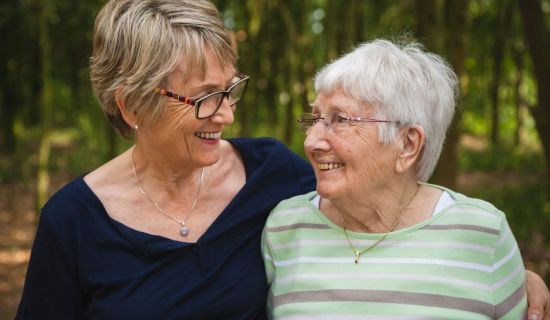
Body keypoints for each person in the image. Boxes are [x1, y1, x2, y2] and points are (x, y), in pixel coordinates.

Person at [16, 0, 549, 318]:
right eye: (204, 97)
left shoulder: (275, 176)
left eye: (230, 90)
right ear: (131, 105)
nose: (225, 114)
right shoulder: (72, 222)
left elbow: (378, 206)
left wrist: (504, 276)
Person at [263, 38, 549, 319]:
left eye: (340, 120)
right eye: (314, 119)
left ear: (408, 145)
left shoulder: (483, 235)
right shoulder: (284, 228)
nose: (312, 142)